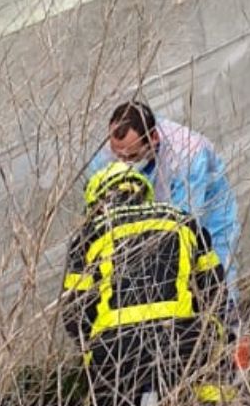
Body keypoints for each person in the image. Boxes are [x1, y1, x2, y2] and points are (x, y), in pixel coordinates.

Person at [59, 162, 229, 406]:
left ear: (98, 201)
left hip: (117, 348)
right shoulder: (183, 221)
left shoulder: (90, 235)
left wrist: (91, 348)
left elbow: (74, 310)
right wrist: (213, 337)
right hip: (180, 339)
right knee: (207, 391)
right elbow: (214, 290)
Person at [86, 101, 240, 299]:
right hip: (153, 211)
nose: (123, 163)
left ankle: (233, 327)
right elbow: (95, 196)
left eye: (132, 156)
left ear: (154, 138)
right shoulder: (108, 152)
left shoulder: (188, 155)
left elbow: (184, 223)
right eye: (118, 156)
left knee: (219, 281)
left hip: (209, 216)